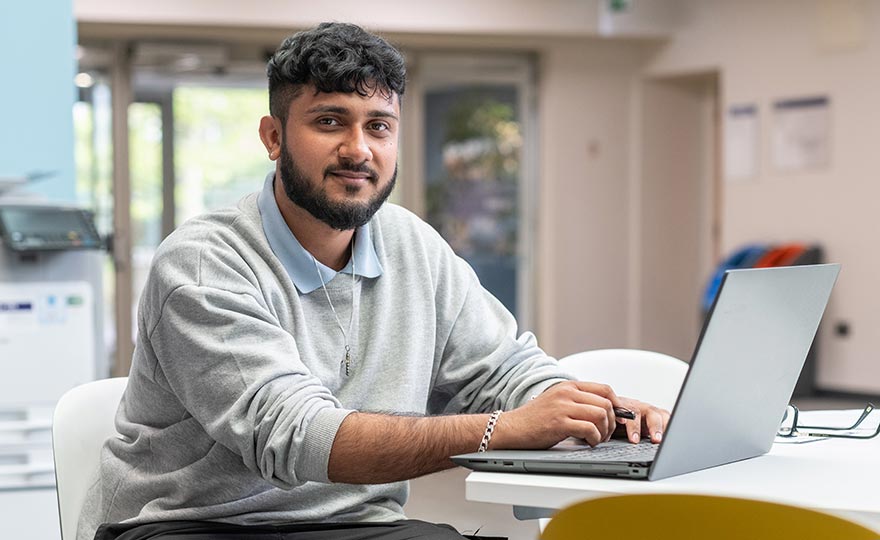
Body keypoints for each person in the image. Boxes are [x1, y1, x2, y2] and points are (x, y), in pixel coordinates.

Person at [79, 22, 670, 540]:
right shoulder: (204, 264)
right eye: (330, 121)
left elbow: (500, 368)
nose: (357, 149)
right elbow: (297, 435)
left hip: (355, 525)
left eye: (379, 126)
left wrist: (590, 410)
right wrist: (502, 431)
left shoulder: (413, 245)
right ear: (273, 136)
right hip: (189, 525)